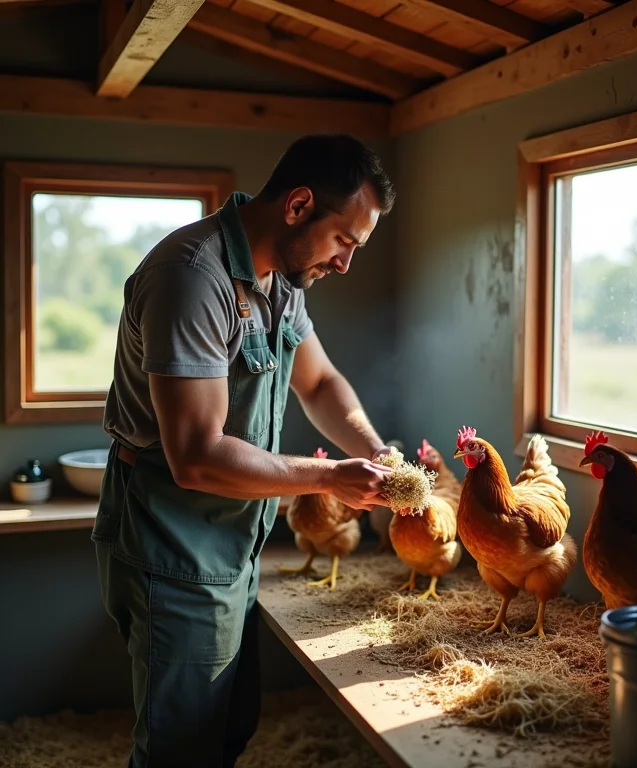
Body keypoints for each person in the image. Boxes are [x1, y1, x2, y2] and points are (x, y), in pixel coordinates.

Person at [92, 134, 397, 768]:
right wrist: (327, 477)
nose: (345, 263)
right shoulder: (191, 277)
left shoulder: (281, 279)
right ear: (298, 206)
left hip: (234, 539)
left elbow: (319, 382)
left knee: (228, 727)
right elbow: (196, 455)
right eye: (343, 240)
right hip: (173, 542)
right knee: (181, 748)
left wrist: (375, 451)